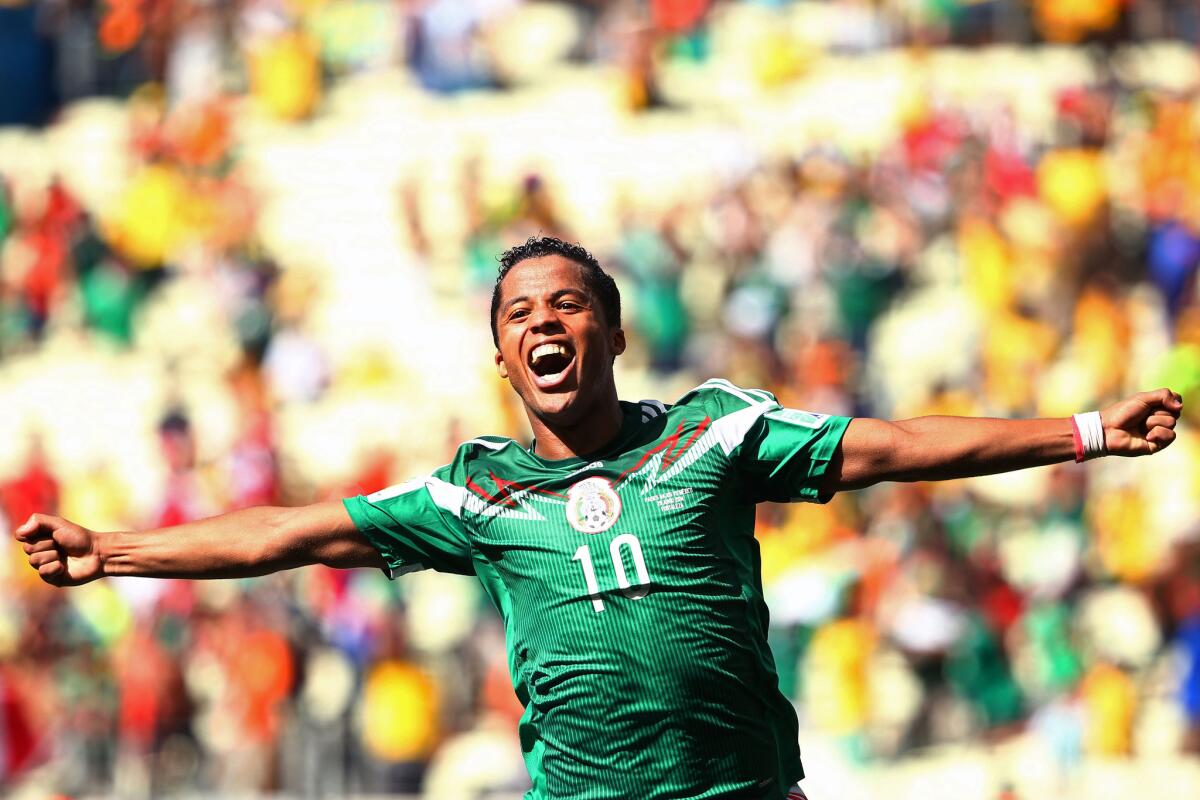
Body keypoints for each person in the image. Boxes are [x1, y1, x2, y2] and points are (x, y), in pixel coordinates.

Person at [13, 236, 1183, 800]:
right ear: (503, 357)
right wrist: (113, 549)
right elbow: (292, 532)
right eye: (521, 311)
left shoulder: (715, 433)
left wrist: (1079, 429)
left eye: (568, 301)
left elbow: (888, 447)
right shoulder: (477, 491)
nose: (545, 321)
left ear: (614, 332)